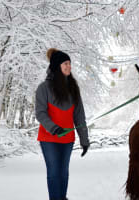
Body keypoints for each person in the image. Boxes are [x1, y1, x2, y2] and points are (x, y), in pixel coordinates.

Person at [35, 48, 90, 200]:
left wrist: (84, 140)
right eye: (65, 63)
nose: (69, 66)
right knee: (53, 172)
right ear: (56, 66)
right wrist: (54, 128)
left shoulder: (73, 88)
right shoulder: (43, 88)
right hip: (49, 138)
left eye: (69, 63)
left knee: (63, 172)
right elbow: (40, 113)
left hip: (67, 139)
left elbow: (79, 116)